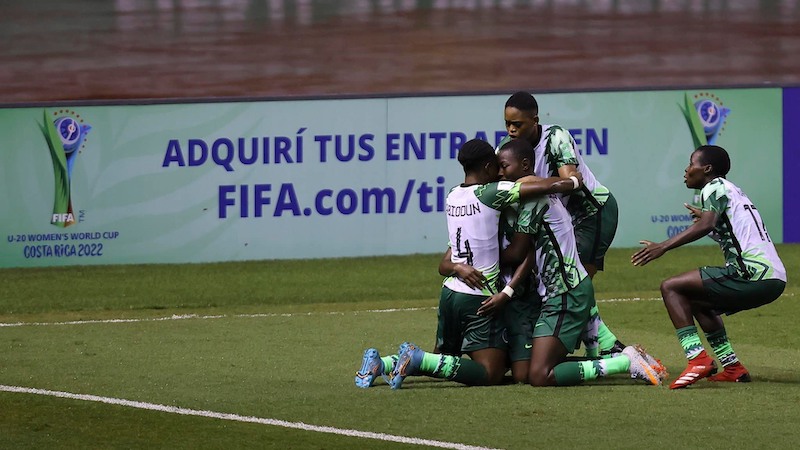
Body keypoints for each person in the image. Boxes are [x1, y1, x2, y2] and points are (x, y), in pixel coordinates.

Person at [356, 138, 581, 389]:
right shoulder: (491, 193)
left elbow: (446, 260)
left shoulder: (453, 195)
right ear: (487, 167)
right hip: (478, 295)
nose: (500, 172)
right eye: (497, 166)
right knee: (490, 373)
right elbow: (535, 187)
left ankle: (383, 364)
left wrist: (458, 266)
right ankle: (415, 359)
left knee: (443, 361)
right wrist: (571, 180)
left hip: (450, 292)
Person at [490, 138, 663, 387]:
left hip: (565, 293)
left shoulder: (534, 199)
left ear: (526, 165)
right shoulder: (535, 192)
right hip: (556, 294)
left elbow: (518, 253)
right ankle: (613, 354)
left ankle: (625, 362)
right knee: (529, 371)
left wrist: (476, 257)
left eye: (504, 166)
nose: (499, 172)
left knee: (539, 376)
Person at [631, 145, 787, 389]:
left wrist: (663, 246)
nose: (686, 169)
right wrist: (712, 223)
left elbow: (705, 225)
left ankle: (697, 359)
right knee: (697, 300)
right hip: (773, 279)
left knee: (671, 287)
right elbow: (730, 232)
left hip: (753, 274)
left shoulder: (713, 187)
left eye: (691, 163)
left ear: (707, 168)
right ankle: (733, 367)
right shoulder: (732, 190)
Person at [498, 91, 624, 356]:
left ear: (535, 120)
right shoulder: (506, 150)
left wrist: (551, 183)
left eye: (517, 124)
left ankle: (605, 343)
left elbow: (571, 178)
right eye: (507, 123)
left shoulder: (556, 137)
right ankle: (597, 347)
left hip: (592, 213)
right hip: (562, 221)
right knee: (572, 279)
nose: (511, 129)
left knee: (576, 280)